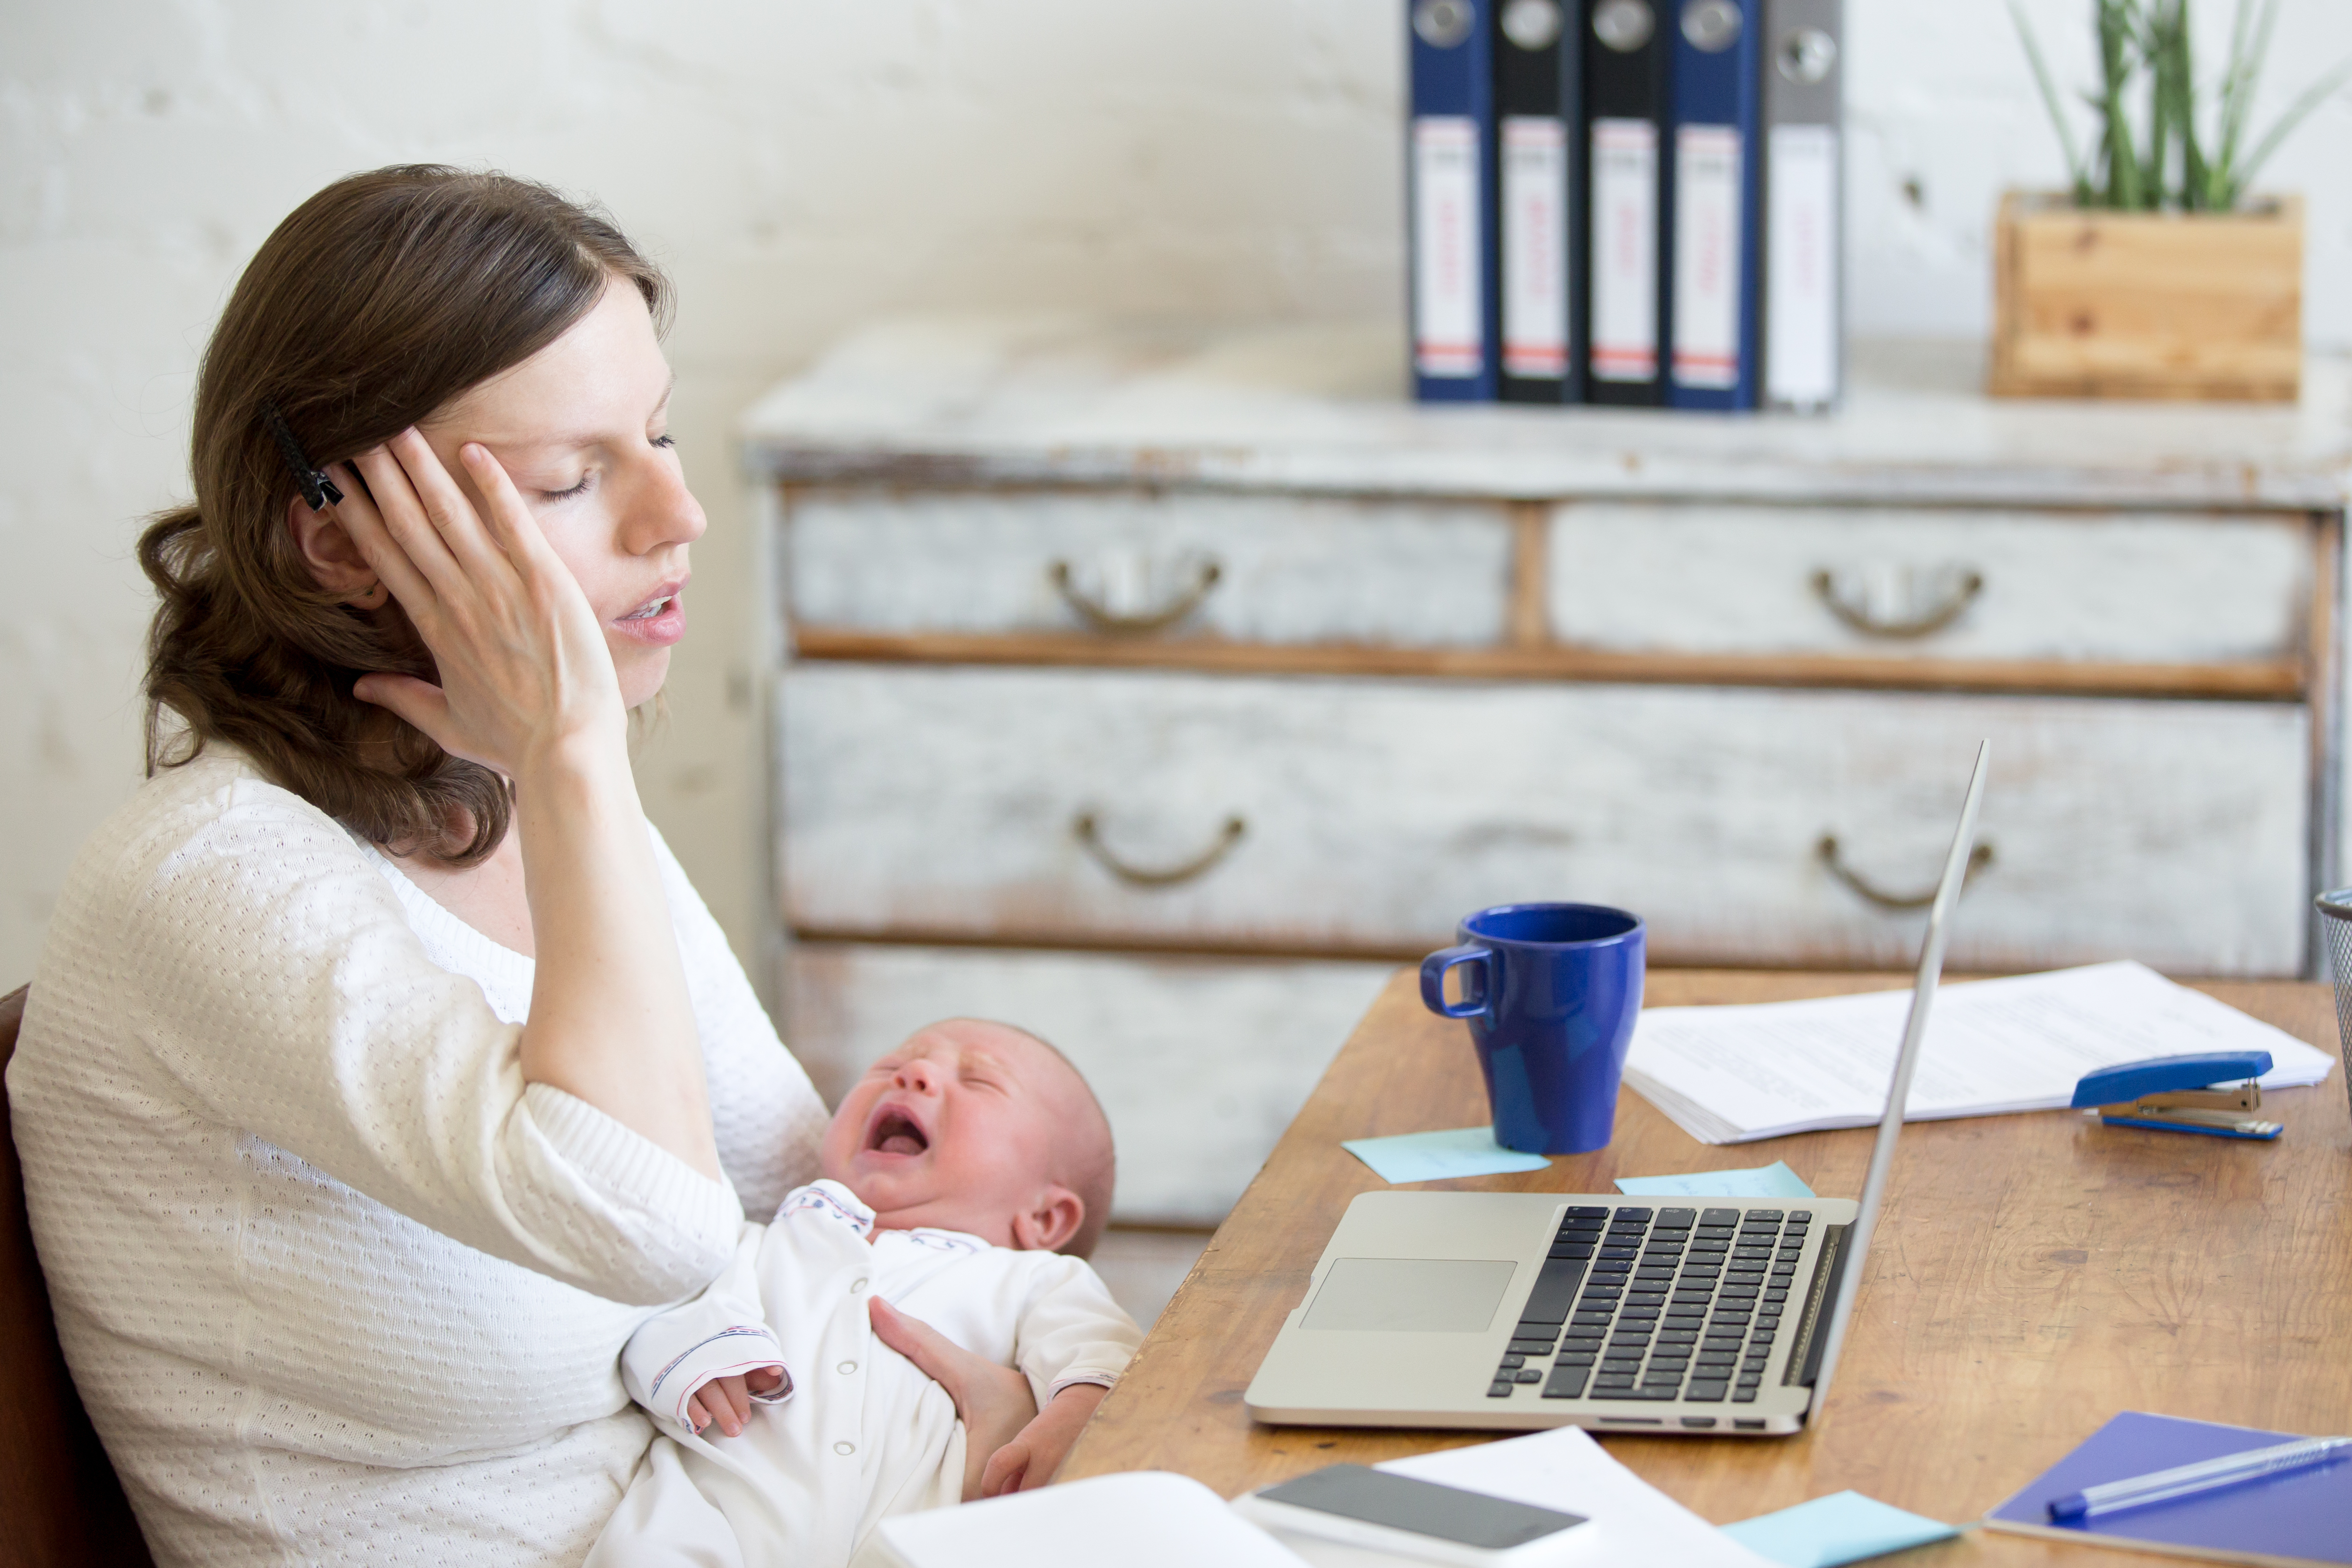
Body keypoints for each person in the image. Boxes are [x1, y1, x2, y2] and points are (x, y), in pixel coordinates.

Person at [7, 166, 843, 1567]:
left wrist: (1018, 1366)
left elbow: (794, 1184)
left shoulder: (515, 802)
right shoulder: (208, 880)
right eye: (574, 478)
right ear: (339, 539)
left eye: (658, 432)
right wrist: (574, 751)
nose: (677, 515)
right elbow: (654, 1226)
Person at [586, 1017, 1140, 1568]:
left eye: (978, 1081)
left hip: (915, 1533)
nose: (915, 1074)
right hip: (726, 1519)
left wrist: (1077, 1412)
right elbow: (660, 1309)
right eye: (890, 1067)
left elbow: (1103, 1348)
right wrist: (696, 1359)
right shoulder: (766, 1243)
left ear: (1044, 1216)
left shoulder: (1032, 1280)